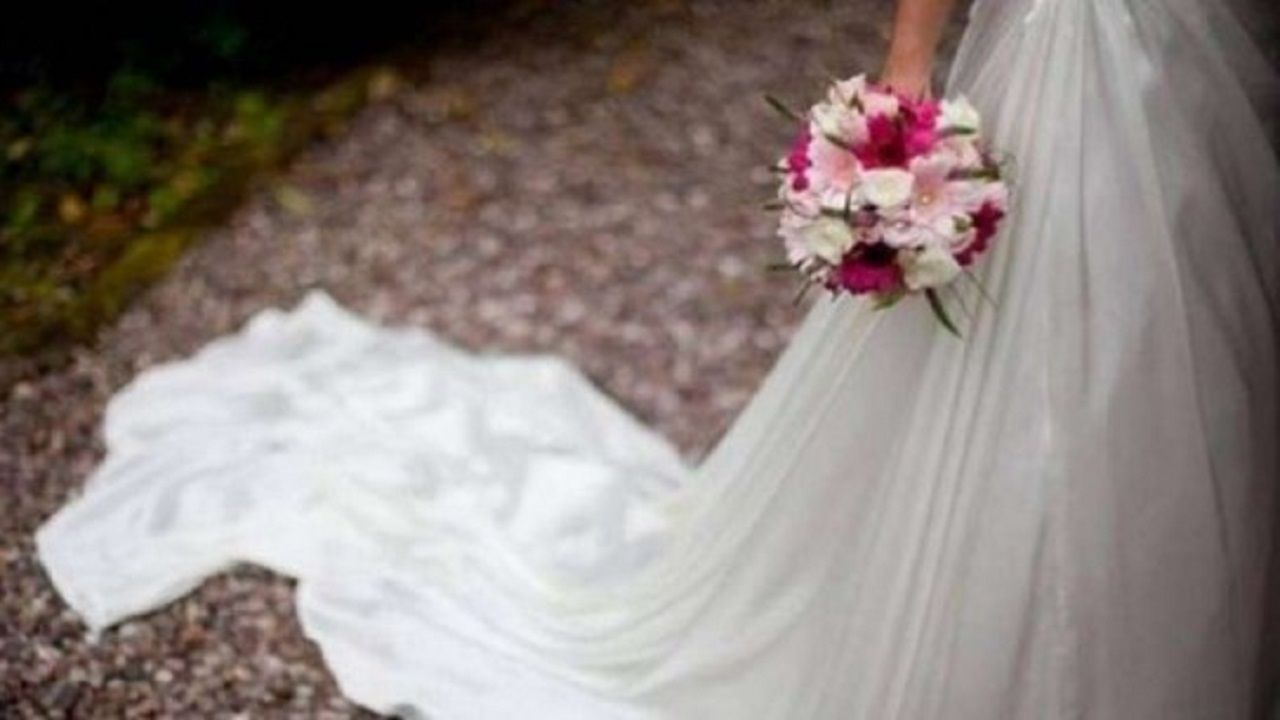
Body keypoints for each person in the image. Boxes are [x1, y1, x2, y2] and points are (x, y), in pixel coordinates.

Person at [35, 0, 1279, 717]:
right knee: (1064, 329)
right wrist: (906, 72)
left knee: (1190, 321)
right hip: (1081, 54)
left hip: (1204, 53)